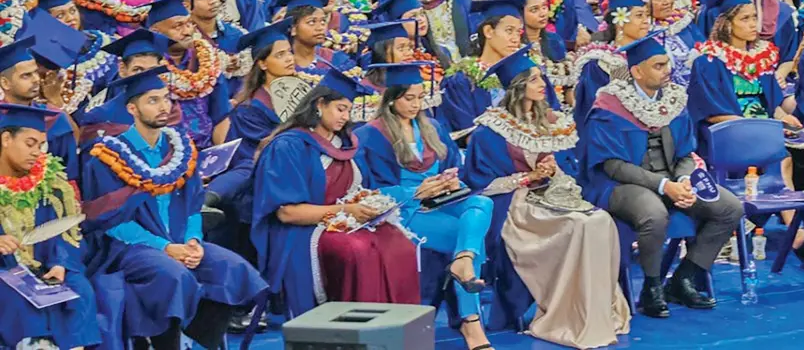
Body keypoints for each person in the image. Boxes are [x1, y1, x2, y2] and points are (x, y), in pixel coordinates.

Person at [80, 69, 268, 347]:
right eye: (153, 100)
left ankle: (206, 341)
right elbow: (111, 222)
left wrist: (193, 240)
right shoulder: (108, 156)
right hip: (128, 248)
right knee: (173, 276)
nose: (164, 106)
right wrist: (165, 247)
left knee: (233, 268)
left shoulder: (181, 149)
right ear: (132, 108)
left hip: (180, 239)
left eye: (166, 99)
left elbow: (193, 204)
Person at [463, 49, 630, 347]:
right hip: (515, 206)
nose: (544, 84)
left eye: (542, 77)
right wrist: (528, 178)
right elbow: (482, 186)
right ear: (517, 86)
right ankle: (564, 312)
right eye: (535, 79)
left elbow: (568, 168)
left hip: (552, 197)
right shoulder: (489, 131)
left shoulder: (552, 121)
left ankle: (594, 310)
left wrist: (553, 170)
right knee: (577, 226)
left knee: (601, 220)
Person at [580, 34, 742, 319]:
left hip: (671, 179)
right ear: (636, 71)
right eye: (658, 65)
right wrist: (664, 185)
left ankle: (685, 278)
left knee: (729, 207)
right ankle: (651, 287)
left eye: (667, 63)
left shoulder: (674, 101)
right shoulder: (609, 107)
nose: (667, 69)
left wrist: (682, 181)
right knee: (653, 214)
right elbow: (612, 165)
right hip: (622, 184)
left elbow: (684, 154)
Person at [251, 65, 422, 318]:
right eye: (340, 109)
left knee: (399, 243)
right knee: (356, 250)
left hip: (348, 221)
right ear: (319, 104)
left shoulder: (348, 145)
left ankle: (398, 331)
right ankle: (358, 329)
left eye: (349, 110)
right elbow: (287, 213)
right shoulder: (289, 146)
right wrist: (345, 210)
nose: (345, 117)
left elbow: (363, 189)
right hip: (303, 231)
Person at [355, 63, 497, 350]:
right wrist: (415, 191)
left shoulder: (432, 127)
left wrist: (449, 182)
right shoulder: (371, 135)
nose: (416, 104)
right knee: (465, 233)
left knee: (481, 201)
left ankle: (463, 261)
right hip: (405, 210)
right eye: (409, 98)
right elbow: (370, 189)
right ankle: (471, 323)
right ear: (392, 97)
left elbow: (454, 167)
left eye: (420, 97)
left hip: (442, 201)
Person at [0, 102, 101, 350]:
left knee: (79, 290)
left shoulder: (52, 183)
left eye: (41, 145)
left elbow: (66, 232)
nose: (37, 152)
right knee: (17, 298)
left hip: (45, 265)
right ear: (5, 139)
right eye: (30, 143)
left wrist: (61, 263)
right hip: (4, 270)